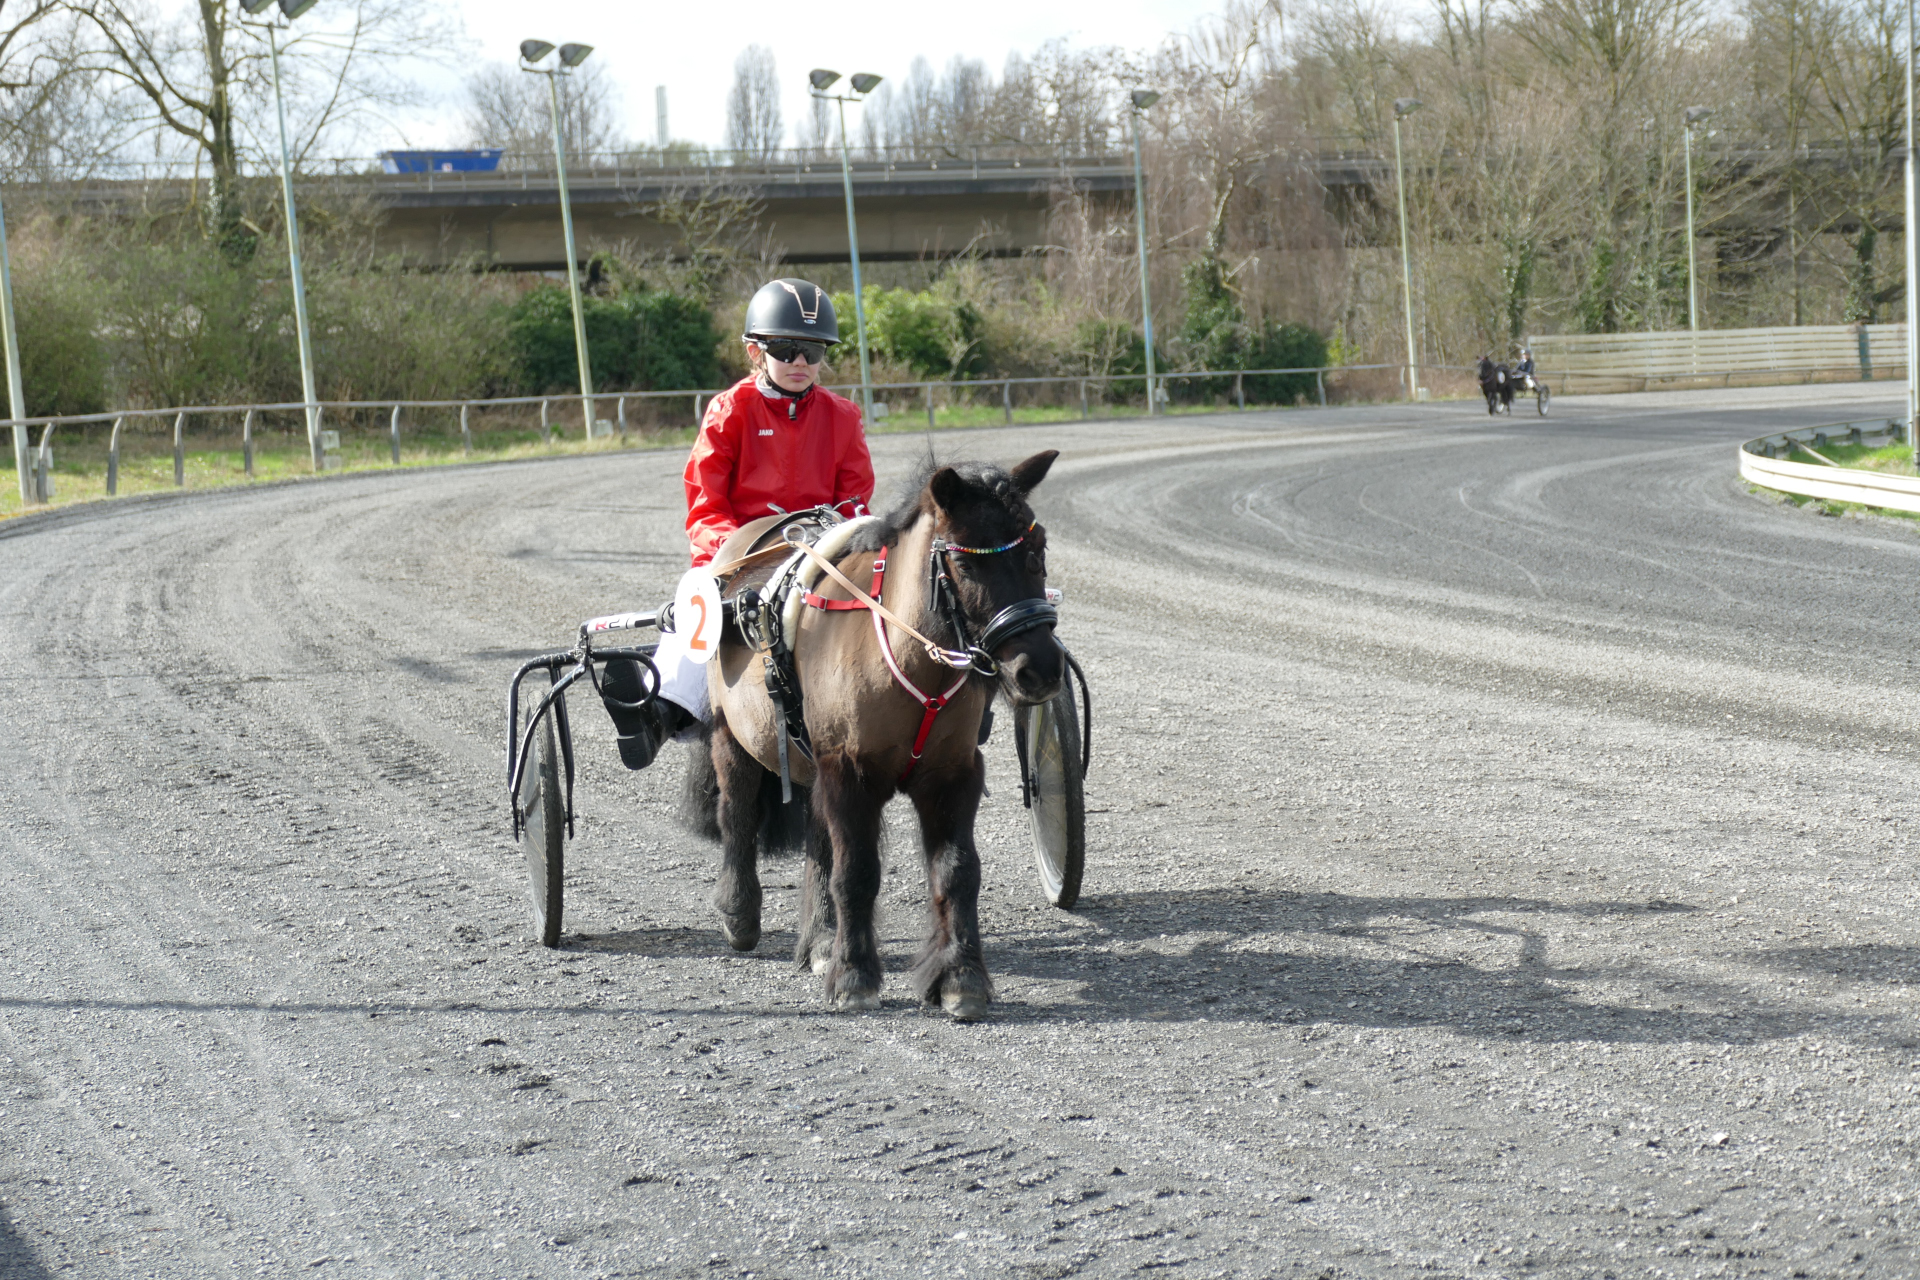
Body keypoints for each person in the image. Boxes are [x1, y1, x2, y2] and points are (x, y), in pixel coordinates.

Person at [599, 278, 877, 770]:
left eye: (813, 351)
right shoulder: (728, 411)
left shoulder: (843, 416)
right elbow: (705, 505)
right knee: (699, 599)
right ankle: (658, 712)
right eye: (786, 349)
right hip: (742, 557)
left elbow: (855, 503)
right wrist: (734, 553)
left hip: (819, 554)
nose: (800, 362)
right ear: (755, 352)